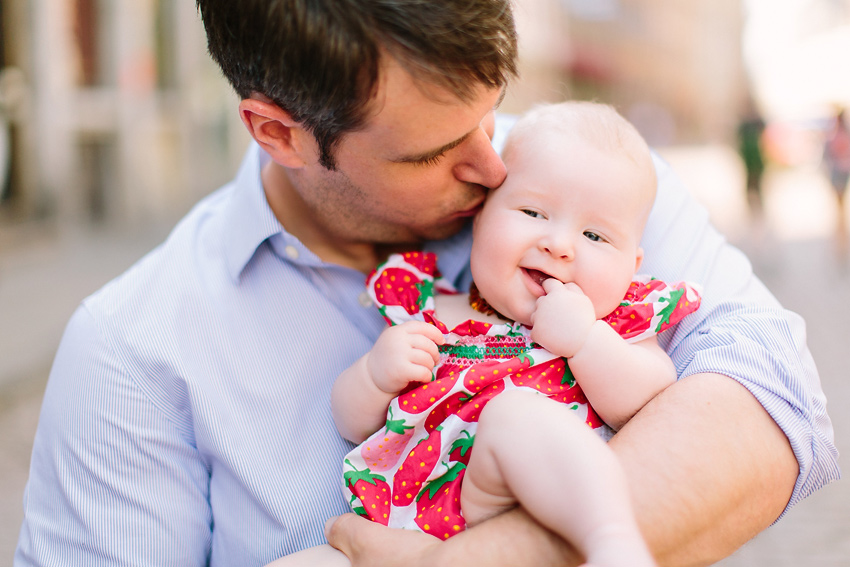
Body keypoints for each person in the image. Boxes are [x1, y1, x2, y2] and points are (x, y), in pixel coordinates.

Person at [15, 1, 838, 566]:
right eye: (433, 152)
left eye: (491, 113)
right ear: (279, 133)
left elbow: (776, 400)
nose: (492, 164)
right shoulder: (132, 349)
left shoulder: (584, 180)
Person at [274, 102, 702, 567]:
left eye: (595, 237)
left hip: (516, 502)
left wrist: (584, 341)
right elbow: (351, 423)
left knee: (516, 413)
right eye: (533, 211)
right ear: (481, 218)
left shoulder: (614, 324)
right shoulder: (430, 312)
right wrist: (375, 375)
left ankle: (613, 545)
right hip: (407, 520)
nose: (558, 245)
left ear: (632, 266)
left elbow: (651, 396)